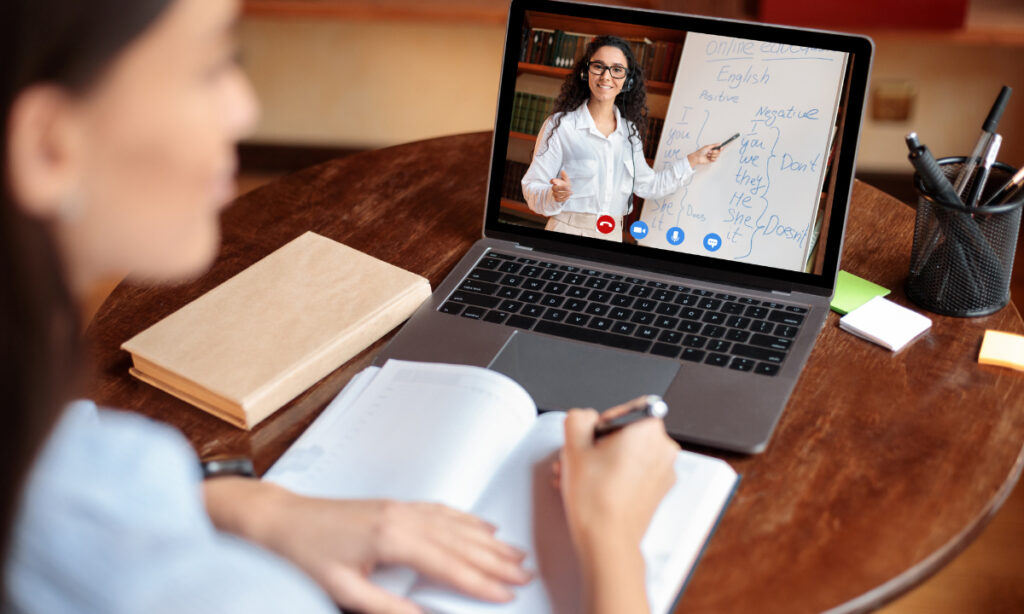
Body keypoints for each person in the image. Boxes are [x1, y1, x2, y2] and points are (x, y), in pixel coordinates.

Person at [0, 1, 681, 613]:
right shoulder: (216, 596)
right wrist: (611, 533)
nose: (243, 108)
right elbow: (538, 194)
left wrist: (248, 504)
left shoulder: (50, 440)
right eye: (208, 67)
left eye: (618, 71)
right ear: (48, 146)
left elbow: (76, 459)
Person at [521, 35, 721, 242]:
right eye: (599, 66)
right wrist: (554, 195)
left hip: (612, 236)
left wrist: (694, 159)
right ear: (585, 71)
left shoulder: (629, 133)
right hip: (566, 233)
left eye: (617, 70)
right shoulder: (560, 125)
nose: (606, 77)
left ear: (628, 79)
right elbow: (532, 187)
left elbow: (649, 186)